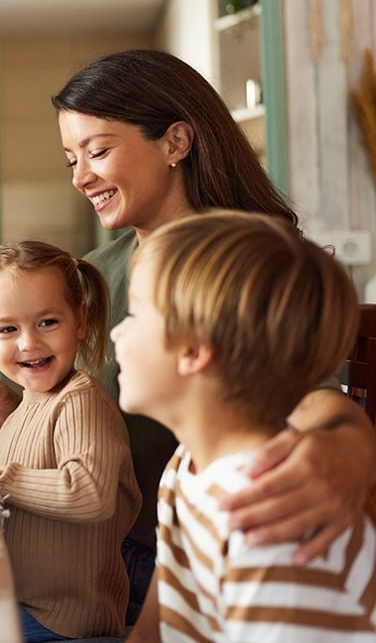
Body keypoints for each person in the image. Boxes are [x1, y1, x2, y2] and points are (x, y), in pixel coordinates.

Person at [0, 49, 376, 623]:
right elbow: (79, 413)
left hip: (151, 563)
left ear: (175, 142)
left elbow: (312, 396)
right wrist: (15, 410)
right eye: (71, 158)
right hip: (112, 550)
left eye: (97, 151)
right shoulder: (94, 271)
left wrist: (344, 446)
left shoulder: (241, 265)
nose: (80, 177)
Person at [116, 209, 376, 642]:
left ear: (195, 350)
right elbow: (158, 625)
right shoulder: (187, 465)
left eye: (135, 315)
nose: (115, 335)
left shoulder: (273, 525)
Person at [0, 241, 141, 641]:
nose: (28, 343)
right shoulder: (33, 399)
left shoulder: (80, 401)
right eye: (8, 329)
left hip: (64, 619)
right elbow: (31, 465)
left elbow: (88, 492)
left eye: (48, 322)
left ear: (81, 320)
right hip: (30, 602)